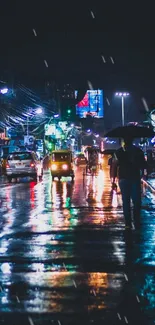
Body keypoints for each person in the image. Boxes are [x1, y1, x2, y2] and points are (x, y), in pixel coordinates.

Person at [111, 137, 147, 230]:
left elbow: (114, 166)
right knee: (136, 201)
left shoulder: (118, 152)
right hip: (135, 178)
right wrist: (142, 175)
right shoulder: (138, 151)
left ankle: (128, 223)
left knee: (125, 201)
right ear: (132, 141)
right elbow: (143, 165)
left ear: (124, 141)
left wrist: (113, 181)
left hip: (123, 179)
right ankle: (136, 221)